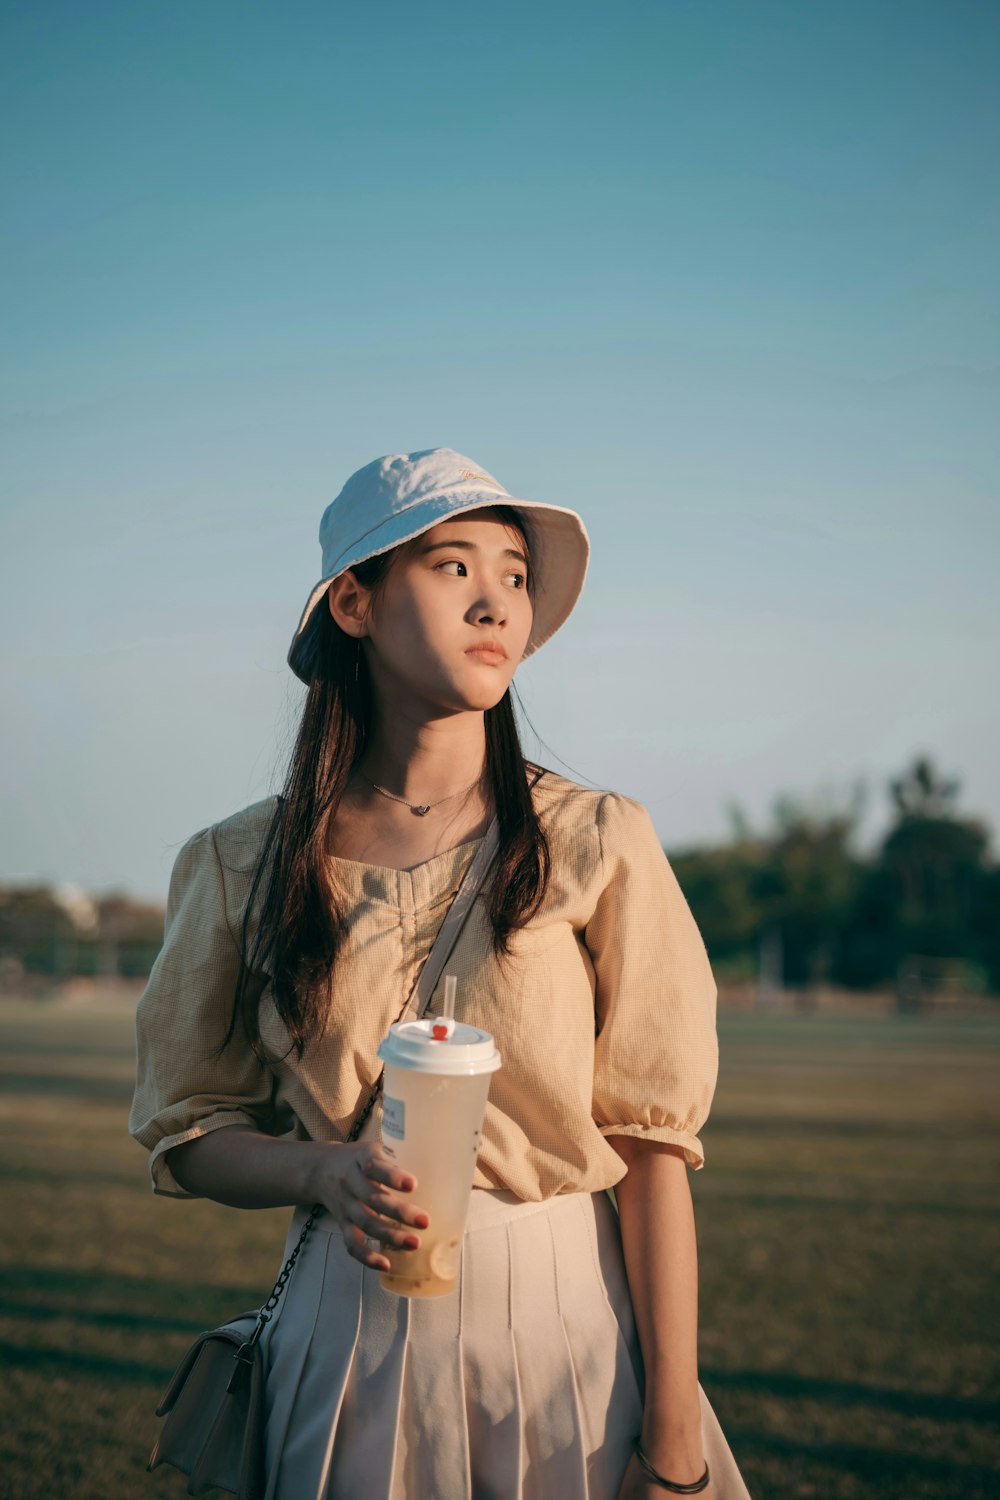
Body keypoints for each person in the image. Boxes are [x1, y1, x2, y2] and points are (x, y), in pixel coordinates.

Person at [129, 447, 753, 1500]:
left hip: (570, 1339)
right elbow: (189, 1130)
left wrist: (675, 1433)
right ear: (355, 602)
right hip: (343, 1342)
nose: (495, 601)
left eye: (513, 575)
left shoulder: (596, 840)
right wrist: (319, 1173)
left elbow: (651, 1151)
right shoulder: (241, 862)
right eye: (453, 566)